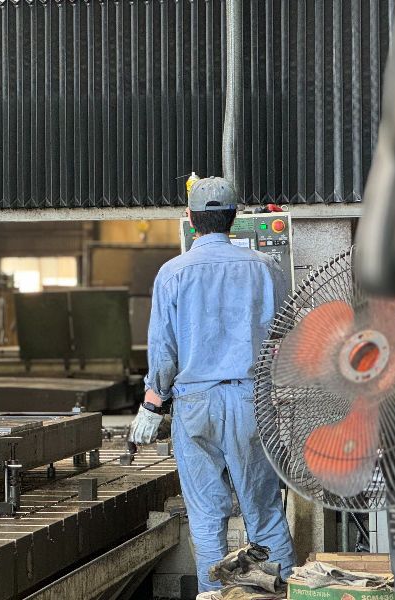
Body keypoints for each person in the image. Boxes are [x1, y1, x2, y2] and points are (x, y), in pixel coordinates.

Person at [128, 176, 296, 592]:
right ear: (233, 218)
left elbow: (163, 351)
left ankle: (214, 595)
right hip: (251, 401)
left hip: (195, 403)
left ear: (190, 218)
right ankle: (282, 593)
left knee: (205, 516)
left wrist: (151, 406)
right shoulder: (267, 268)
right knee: (264, 511)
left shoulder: (172, 273)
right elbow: (286, 335)